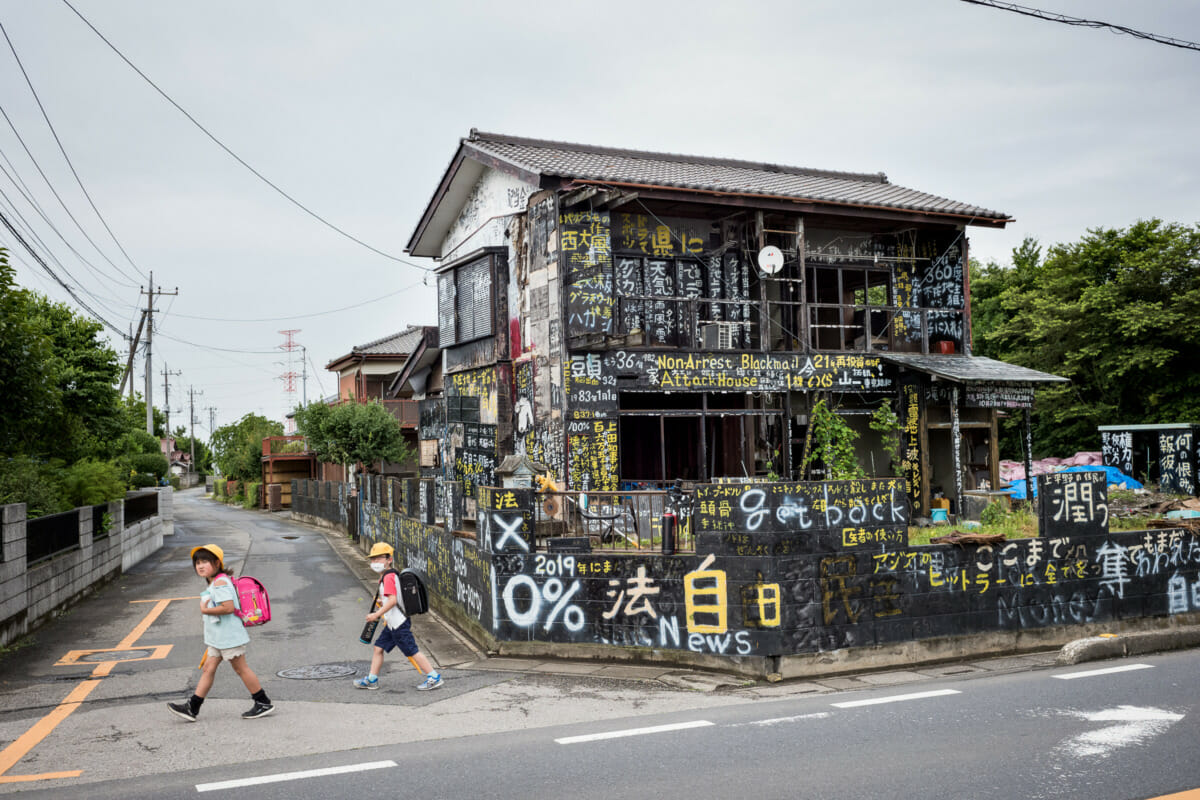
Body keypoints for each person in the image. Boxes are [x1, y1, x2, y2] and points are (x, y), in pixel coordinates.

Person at [168, 544, 275, 721]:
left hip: (228, 637)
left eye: (205, 562)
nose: (200, 566)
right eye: (197, 563)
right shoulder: (215, 581)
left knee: (241, 669)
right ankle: (192, 708)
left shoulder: (220, 582)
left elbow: (228, 608)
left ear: (217, 563)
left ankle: (263, 702)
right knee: (209, 669)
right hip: (219, 638)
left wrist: (205, 610)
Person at [354, 542, 443, 691]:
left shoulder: (388, 578)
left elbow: (393, 600)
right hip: (392, 623)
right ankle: (372, 679)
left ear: (389, 559)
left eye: (379, 558)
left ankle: (434, 677)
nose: (375, 562)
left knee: (412, 651)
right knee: (378, 648)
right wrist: (383, 602)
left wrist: (376, 614)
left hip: (398, 624)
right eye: (373, 559)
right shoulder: (391, 574)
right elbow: (392, 599)